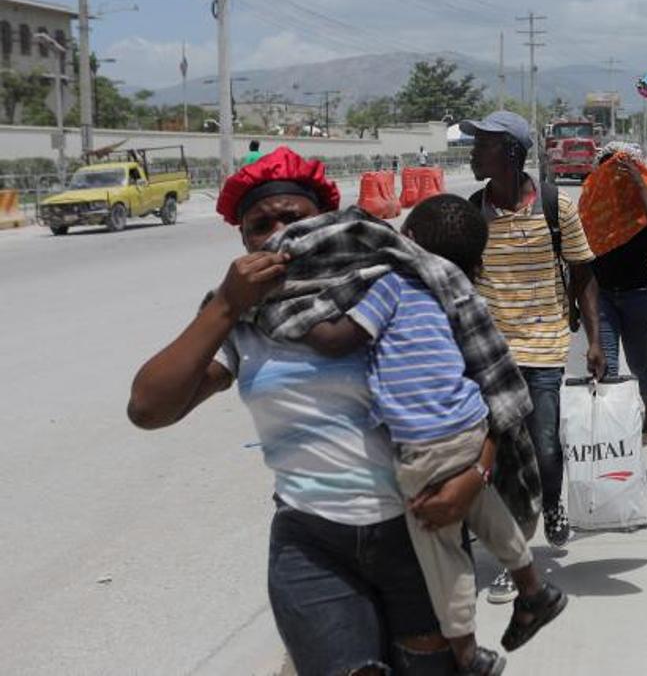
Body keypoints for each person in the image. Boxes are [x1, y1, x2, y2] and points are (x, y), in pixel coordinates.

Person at [127, 148, 470, 675]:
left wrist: (477, 474)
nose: (278, 233)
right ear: (244, 242)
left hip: (418, 531)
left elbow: (484, 385)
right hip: (312, 542)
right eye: (260, 226)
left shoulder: (390, 281)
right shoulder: (243, 318)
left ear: (326, 221)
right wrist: (225, 304)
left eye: (293, 217)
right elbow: (148, 409)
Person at [298, 194, 567, 675]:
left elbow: (340, 341)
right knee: (485, 508)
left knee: (440, 553)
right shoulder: (457, 293)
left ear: (409, 241)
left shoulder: (390, 286)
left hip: (423, 443)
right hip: (469, 425)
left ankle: (467, 652)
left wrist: (300, 320)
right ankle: (533, 588)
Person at [461, 110, 606, 603]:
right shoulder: (472, 211)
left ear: (510, 153)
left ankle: (554, 504)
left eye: (482, 144)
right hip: (490, 355)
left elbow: (583, 274)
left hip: (545, 345)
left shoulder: (554, 207)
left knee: (545, 448)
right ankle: (513, 557)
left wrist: (594, 340)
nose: (474, 152)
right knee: (502, 461)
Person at [584, 143, 647, 444]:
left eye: (620, 168)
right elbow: (583, 264)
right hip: (605, 298)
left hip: (638, 297)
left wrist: (638, 183)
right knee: (606, 366)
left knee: (639, 365)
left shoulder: (642, 212)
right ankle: (615, 427)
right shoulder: (594, 212)